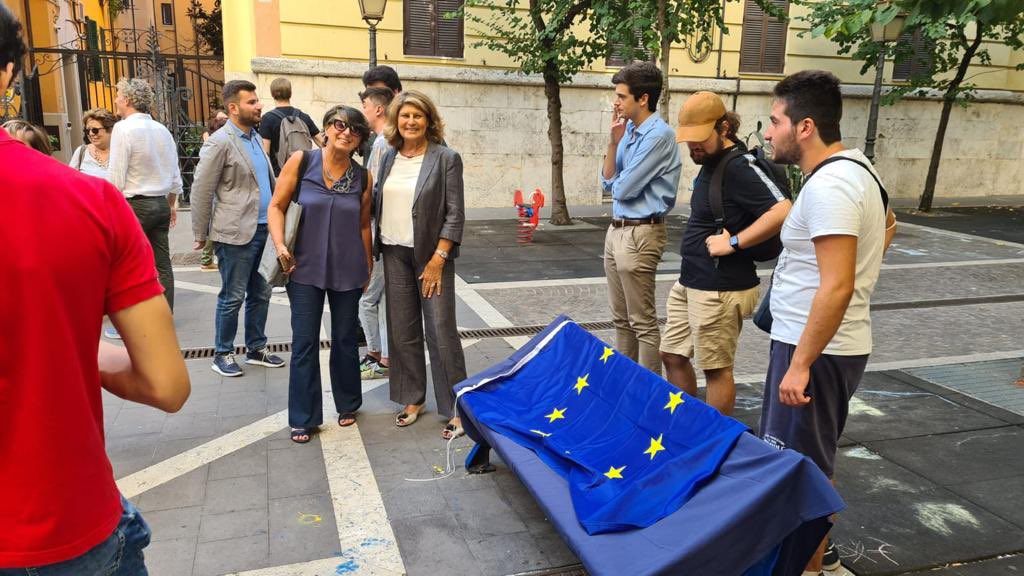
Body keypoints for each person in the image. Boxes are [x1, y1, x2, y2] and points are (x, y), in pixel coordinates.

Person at [0, 5, 191, 573]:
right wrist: (77, 346)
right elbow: (167, 385)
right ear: (8, 72)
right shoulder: (85, 201)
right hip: (60, 522)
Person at [760, 70, 897, 576]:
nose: (769, 132)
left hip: (815, 351)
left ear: (805, 127)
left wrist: (800, 364)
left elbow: (836, 284)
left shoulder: (831, 185)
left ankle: (811, 568)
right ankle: (817, 559)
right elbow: (888, 231)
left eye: (775, 121)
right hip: (823, 346)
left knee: (803, 471)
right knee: (804, 463)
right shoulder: (859, 171)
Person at [661, 92, 791, 414]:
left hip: (720, 287)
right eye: (688, 140)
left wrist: (734, 243)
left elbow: (783, 210)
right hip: (693, 281)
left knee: (716, 369)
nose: (693, 147)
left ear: (723, 128)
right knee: (672, 355)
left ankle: (713, 445)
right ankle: (687, 427)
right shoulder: (712, 161)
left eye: (700, 138)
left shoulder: (738, 166)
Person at [268, 105, 374, 443]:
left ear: (360, 140)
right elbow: (276, 206)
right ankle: (303, 416)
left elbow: (362, 226)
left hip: (348, 267)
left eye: (354, 129)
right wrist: (280, 246)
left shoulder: (363, 177)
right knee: (304, 342)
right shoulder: (302, 161)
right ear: (326, 128)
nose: (346, 132)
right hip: (303, 266)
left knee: (345, 338)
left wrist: (368, 266)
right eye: (339, 124)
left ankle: (348, 404)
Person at [375, 90, 466, 440]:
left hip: (431, 257)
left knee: (441, 332)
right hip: (394, 253)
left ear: (428, 120)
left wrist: (439, 258)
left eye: (417, 116)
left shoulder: (446, 158)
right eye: (404, 116)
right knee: (402, 331)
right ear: (396, 120)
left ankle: (457, 407)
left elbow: (455, 213)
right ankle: (413, 398)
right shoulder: (388, 157)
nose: (410, 122)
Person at [191, 80, 286, 377]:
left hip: (264, 230)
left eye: (258, 101)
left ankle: (256, 348)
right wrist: (199, 234)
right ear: (233, 108)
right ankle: (223, 352)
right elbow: (201, 189)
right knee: (232, 296)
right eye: (252, 102)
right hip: (234, 233)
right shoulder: (219, 142)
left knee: (262, 293)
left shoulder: (255, 137)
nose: (259, 106)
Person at [599, 61, 682, 375]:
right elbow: (608, 183)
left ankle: (648, 394)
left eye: (621, 96)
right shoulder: (628, 130)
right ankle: (625, 384)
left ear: (643, 99)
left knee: (642, 322)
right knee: (621, 320)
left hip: (641, 233)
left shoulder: (659, 135)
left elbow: (624, 189)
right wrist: (613, 141)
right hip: (617, 229)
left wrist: (618, 180)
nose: (616, 102)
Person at [108, 77, 181, 333]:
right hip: (160, 203)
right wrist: (171, 206)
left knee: (128, 266)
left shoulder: (123, 129)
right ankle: (165, 317)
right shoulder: (162, 130)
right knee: (162, 265)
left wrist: (112, 212)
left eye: (118, 95)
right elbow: (175, 176)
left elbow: (116, 176)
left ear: (127, 99)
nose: (116, 100)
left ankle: (130, 323)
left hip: (134, 205)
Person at [357, 86, 396, 380]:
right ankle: (384, 356)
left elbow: (374, 191)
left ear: (379, 109)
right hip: (381, 232)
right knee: (380, 299)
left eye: (366, 106)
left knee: (368, 298)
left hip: (377, 233)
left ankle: (375, 354)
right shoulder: (383, 141)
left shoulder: (382, 144)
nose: (364, 112)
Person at [258, 77, 322, 176]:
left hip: (280, 175)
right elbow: (322, 143)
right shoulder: (303, 116)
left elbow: (265, 152)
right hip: (304, 172)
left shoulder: (267, 118)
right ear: (290, 93)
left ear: (272, 94)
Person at [199, 109, 229, 272]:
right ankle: (206, 259)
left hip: (217, 194)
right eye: (223, 118)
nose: (226, 120)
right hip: (215, 193)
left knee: (213, 225)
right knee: (213, 225)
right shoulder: (212, 140)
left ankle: (208, 258)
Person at [69, 108, 118, 182]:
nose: (91, 134)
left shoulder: (121, 151)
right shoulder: (81, 152)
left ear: (110, 130)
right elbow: (70, 180)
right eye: (87, 131)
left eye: (95, 130)